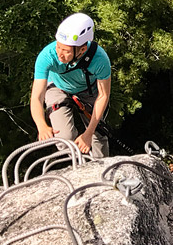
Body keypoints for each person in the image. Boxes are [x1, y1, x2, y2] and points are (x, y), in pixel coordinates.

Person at [30, 12, 112, 158]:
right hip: (58, 87)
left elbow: (103, 95)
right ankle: (78, 167)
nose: (60, 54)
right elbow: (37, 96)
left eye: (66, 51)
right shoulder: (47, 55)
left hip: (89, 90)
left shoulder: (99, 59)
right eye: (58, 47)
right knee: (64, 138)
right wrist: (41, 125)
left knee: (98, 134)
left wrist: (89, 133)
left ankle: (102, 171)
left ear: (82, 50)